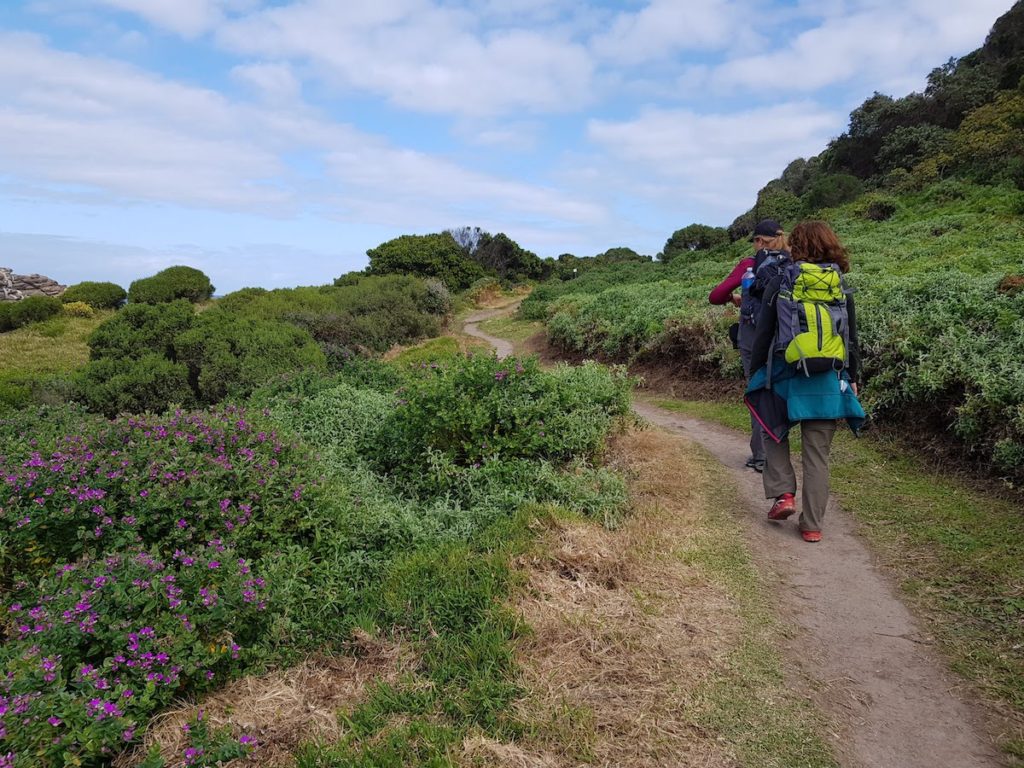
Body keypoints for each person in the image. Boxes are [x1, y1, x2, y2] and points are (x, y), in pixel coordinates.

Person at [744, 220, 865, 543]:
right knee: (817, 455)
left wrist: (756, 372)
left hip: (785, 374)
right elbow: (851, 338)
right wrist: (852, 376)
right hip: (827, 377)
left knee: (772, 430)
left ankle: (783, 494)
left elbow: (764, 333)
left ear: (795, 246)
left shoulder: (783, 280)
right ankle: (812, 525)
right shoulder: (838, 285)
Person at [709, 218, 789, 473]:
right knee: (779, 393)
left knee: (757, 390)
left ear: (758, 241)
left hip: (753, 338)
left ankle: (760, 456)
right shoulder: (793, 261)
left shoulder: (749, 265)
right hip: (786, 339)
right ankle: (779, 454)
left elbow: (716, 296)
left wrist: (737, 298)